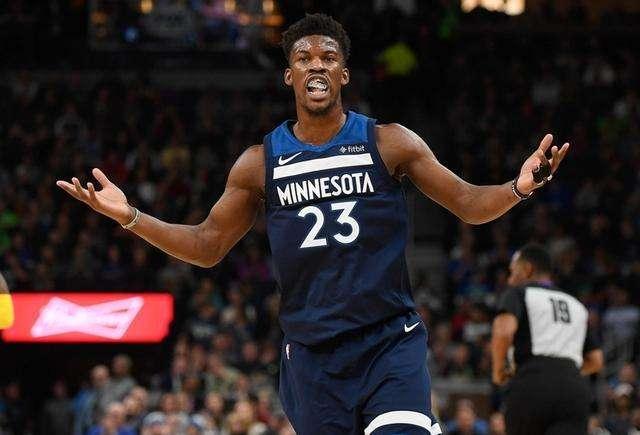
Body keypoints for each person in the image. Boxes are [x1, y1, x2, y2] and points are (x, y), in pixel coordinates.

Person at [57, 13, 569, 435]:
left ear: (344, 74)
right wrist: (131, 216)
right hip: (311, 358)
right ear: (290, 76)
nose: (316, 65)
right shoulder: (259, 163)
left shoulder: (389, 142)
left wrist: (520, 186)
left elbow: (469, 203)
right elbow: (207, 245)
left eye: (328, 57)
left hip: (388, 341)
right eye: (303, 58)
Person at [491, 243, 604, 435]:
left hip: (532, 382)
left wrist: (498, 371)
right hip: (574, 389)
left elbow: (503, 331)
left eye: (513, 272)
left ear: (527, 269)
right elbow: (596, 360)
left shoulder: (518, 293)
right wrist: (564, 374)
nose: (510, 279)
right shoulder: (576, 304)